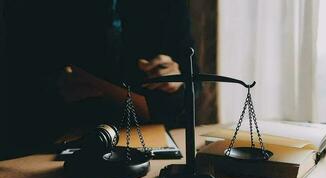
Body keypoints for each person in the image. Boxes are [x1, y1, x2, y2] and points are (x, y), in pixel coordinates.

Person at [3, 0, 198, 159]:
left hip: (150, 139)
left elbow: (195, 84)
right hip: (54, 139)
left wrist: (177, 80)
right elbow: (14, 79)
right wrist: (52, 90)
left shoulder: (170, 6)